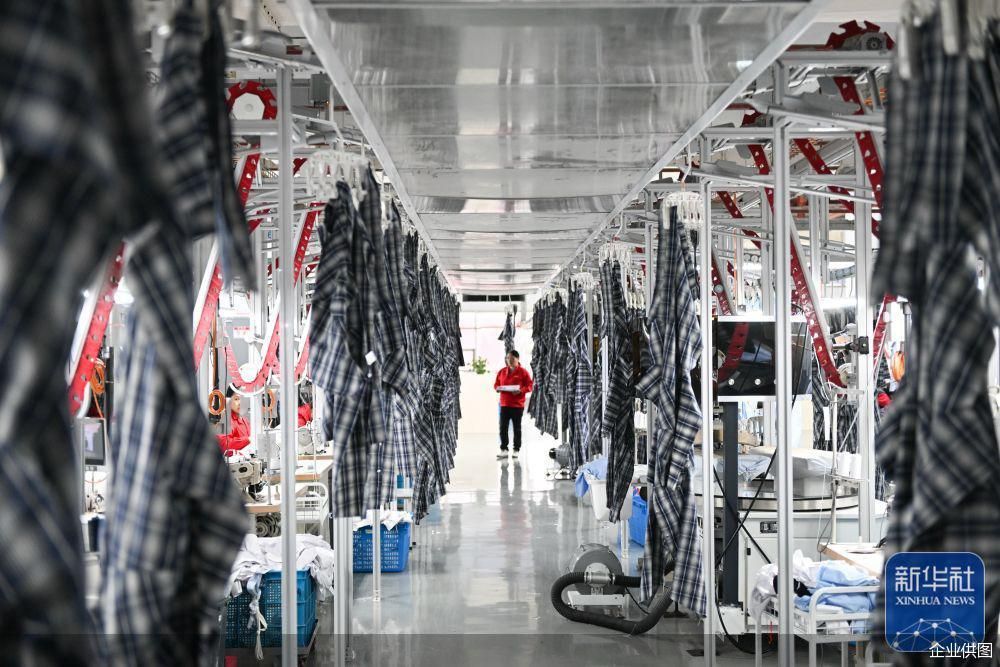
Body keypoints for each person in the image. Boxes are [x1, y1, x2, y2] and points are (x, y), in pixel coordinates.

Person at [494, 350, 533, 459]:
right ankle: (504, 449)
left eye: (512, 358)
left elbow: (530, 386)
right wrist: (497, 388)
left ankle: (516, 449)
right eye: (508, 358)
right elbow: (496, 384)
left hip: (517, 405)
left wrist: (521, 391)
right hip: (504, 404)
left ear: (517, 359)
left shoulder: (523, 372)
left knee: (517, 428)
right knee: (503, 427)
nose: (509, 360)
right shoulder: (502, 371)